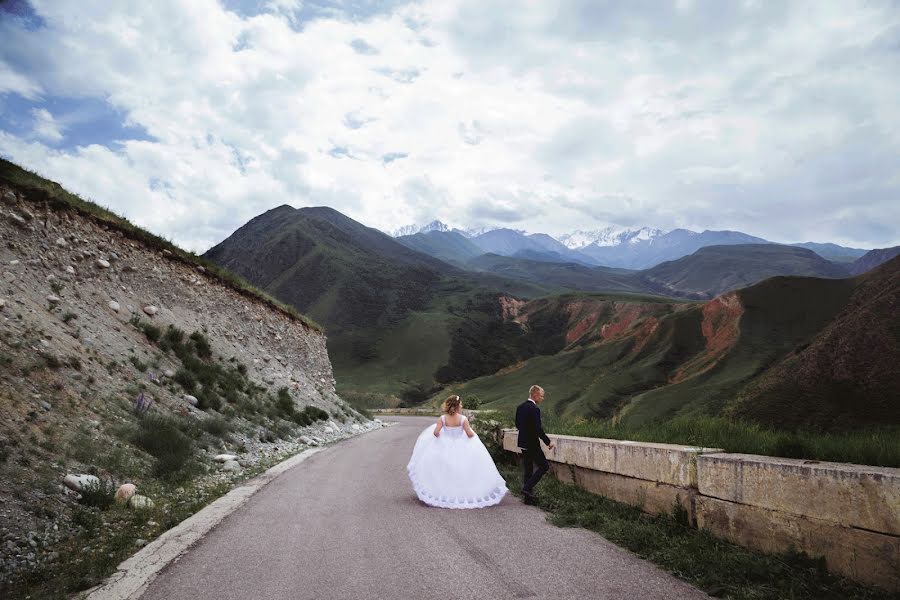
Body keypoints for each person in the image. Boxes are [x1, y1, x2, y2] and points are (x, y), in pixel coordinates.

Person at [406, 395, 507, 509]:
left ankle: (444, 492)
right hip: (461, 446)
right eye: (461, 404)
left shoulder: (443, 418)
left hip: (445, 446)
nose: (462, 405)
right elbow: (469, 434)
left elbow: (435, 432)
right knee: (462, 469)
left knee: (445, 470)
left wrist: (442, 435)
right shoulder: (463, 419)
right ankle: (462, 491)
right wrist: (472, 433)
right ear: (457, 406)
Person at [515, 385, 555, 505]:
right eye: (541, 396)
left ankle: (528, 498)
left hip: (522, 442)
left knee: (528, 469)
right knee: (544, 466)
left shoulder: (520, 407)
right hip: (532, 443)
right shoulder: (534, 409)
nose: (542, 398)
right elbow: (538, 429)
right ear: (535, 394)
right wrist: (548, 442)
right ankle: (527, 488)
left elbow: (517, 424)